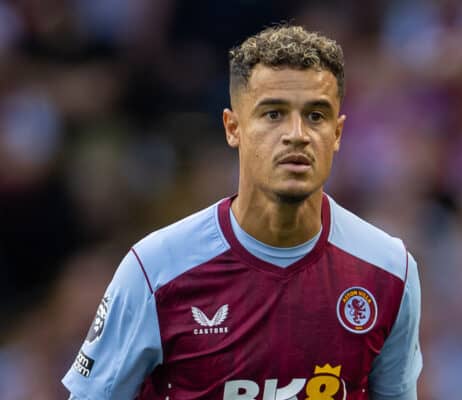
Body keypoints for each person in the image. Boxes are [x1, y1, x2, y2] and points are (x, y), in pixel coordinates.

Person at [63, 24, 423, 400]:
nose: (297, 133)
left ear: (337, 133)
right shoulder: (155, 269)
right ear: (233, 127)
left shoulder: (390, 271)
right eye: (273, 114)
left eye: (316, 115)